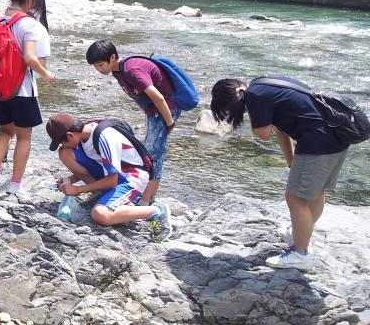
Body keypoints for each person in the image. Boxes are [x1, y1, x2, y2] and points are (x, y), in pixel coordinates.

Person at [210, 77, 351, 271]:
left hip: (318, 141)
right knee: (316, 191)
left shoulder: (254, 97)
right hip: (337, 135)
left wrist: (253, 112)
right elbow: (281, 131)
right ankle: (299, 233)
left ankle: (300, 254)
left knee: (295, 198)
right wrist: (292, 163)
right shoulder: (263, 86)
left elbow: (263, 134)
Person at [0, 0, 55, 197]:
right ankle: (15, 184)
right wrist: (47, 74)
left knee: (4, 131)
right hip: (21, 90)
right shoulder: (31, 25)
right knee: (24, 136)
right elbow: (31, 59)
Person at [46, 112, 173, 242]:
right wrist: (70, 180)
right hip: (114, 173)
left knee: (100, 214)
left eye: (61, 141)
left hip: (131, 176)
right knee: (65, 153)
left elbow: (112, 181)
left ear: (70, 135)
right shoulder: (85, 131)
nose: (62, 145)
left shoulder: (104, 138)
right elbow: (98, 163)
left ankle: (155, 212)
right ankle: (103, 195)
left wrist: (78, 190)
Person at [85, 40, 179, 205]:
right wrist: (147, 114)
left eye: (100, 64)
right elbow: (137, 95)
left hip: (165, 108)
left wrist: (169, 122)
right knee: (148, 152)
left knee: (154, 156)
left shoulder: (132, 70)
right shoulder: (117, 71)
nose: (99, 70)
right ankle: (143, 195)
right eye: (95, 66)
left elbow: (158, 96)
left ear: (113, 57)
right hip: (154, 110)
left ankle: (145, 202)